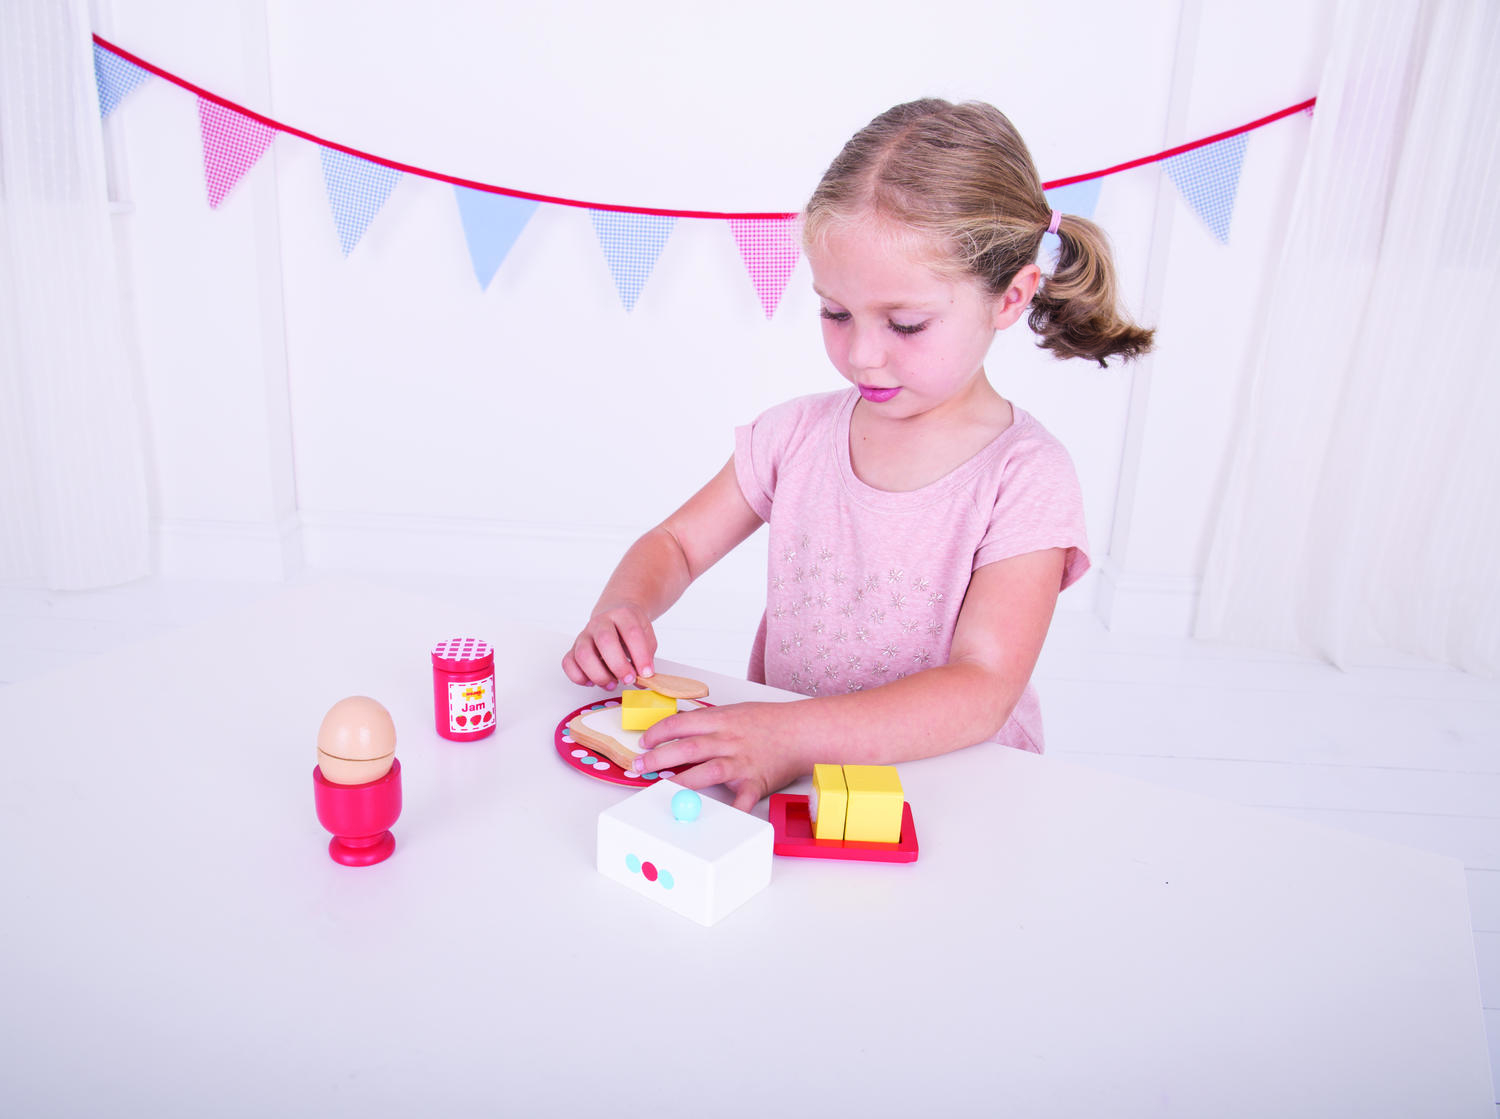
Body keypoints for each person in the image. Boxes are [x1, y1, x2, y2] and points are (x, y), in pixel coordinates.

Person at [562, 98, 1153, 811]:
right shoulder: (795, 435)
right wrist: (623, 605)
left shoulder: (1025, 477)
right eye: (835, 312)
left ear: (1009, 298)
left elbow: (983, 687)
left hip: (951, 792)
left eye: (906, 323)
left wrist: (788, 734)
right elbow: (677, 544)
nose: (863, 355)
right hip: (788, 771)